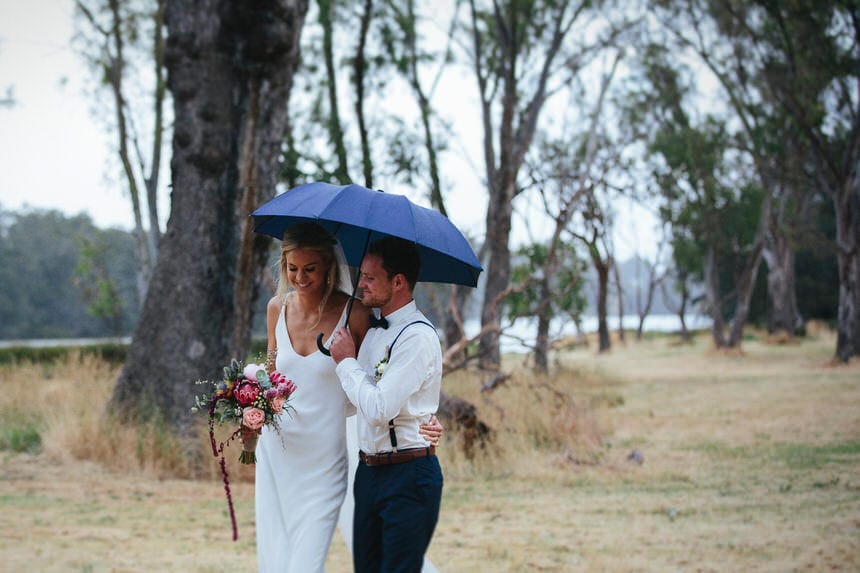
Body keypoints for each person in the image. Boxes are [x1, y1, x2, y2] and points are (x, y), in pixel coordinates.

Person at [255, 223, 442, 573]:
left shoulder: (359, 316)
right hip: (287, 455)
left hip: (331, 459)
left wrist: (423, 419)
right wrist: (254, 399)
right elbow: (270, 368)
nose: (299, 277)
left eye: (309, 268)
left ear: (328, 266)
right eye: (292, 269)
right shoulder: (277, 309)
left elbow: (378, 390)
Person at [330, 236, 444, 573]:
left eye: (369, 277)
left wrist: (346, 362)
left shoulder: (418, 337)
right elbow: (357, 401)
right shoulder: (375, 330)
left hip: (408, 475)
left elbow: (379, 408)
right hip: (368, 474)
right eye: (361, 274)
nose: (360, 284)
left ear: (398, 282)